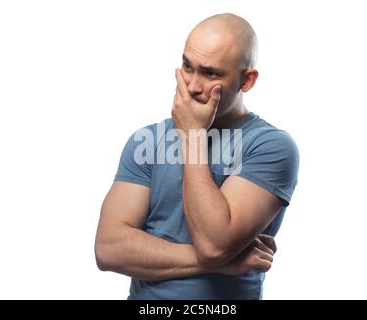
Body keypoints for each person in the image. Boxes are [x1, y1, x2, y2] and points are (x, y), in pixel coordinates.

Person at [95, 13, 299, 300]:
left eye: (210, 73)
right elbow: (109, 248)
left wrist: (192, 136)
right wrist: (224, 262)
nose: (191, 85)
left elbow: (213, 244)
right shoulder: (146, 141)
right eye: (187, 66)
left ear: (247, 80)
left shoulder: (271, 146)